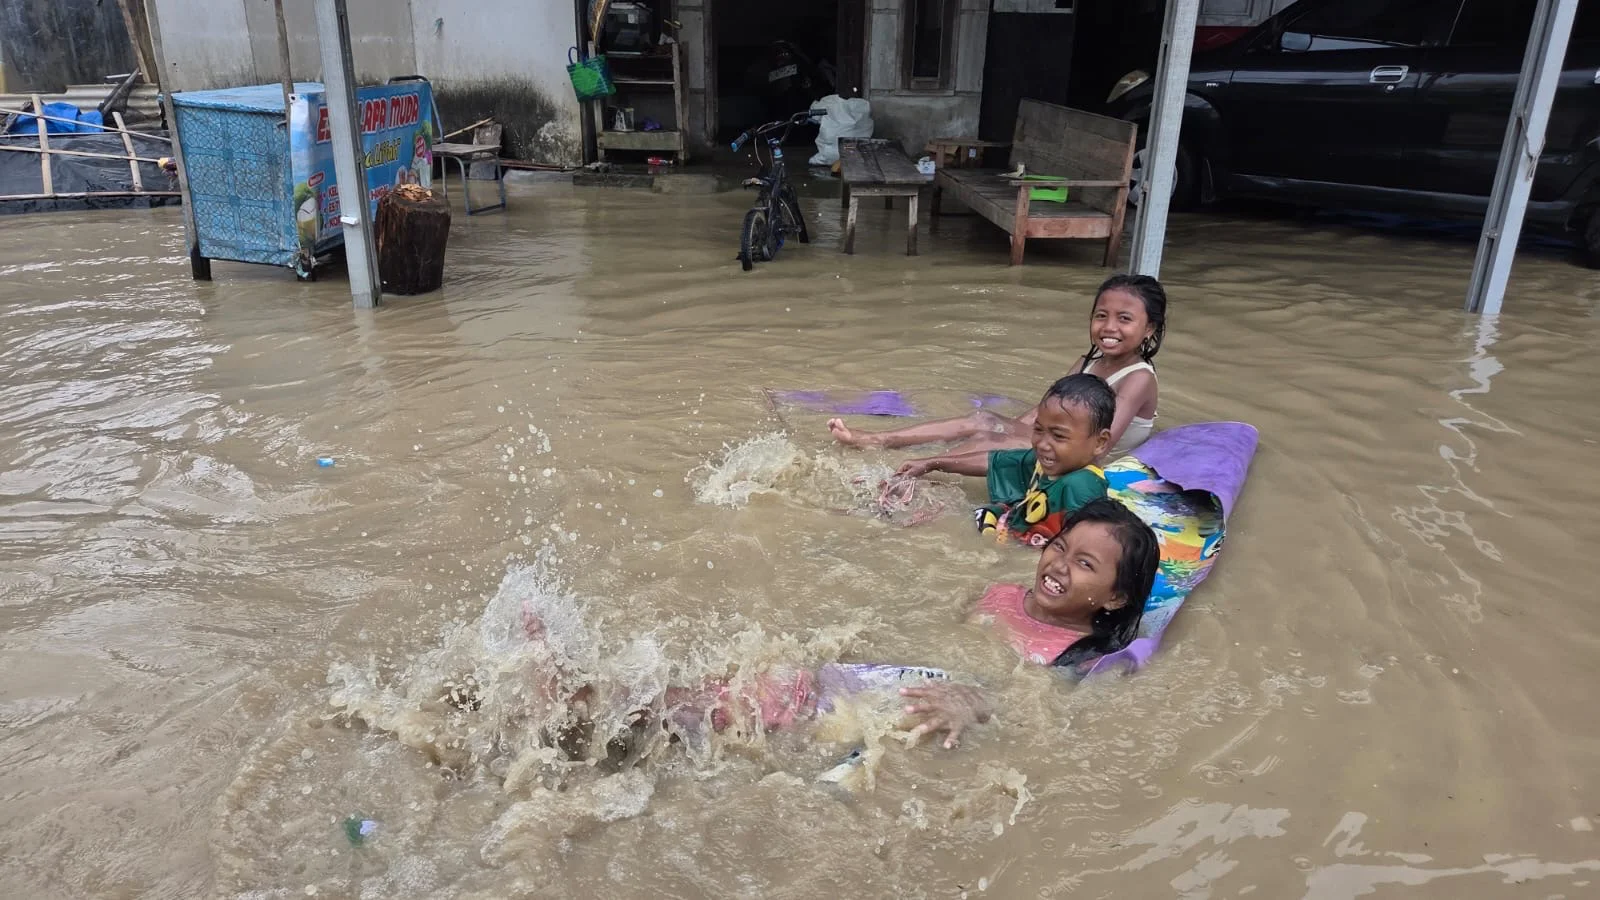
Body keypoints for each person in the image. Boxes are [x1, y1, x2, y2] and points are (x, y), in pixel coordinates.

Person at [513, 498, 1159, 754]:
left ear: (1115, 597)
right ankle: (596, 707)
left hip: (913, 697)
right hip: (873, 672)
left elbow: (1024, 698)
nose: (1058, 565)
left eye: (1084, 565)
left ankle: (587, 709)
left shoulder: (1073, 652)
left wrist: (971, 701)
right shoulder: (998, 591)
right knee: (750, 685)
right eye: (1060, 547)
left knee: (758, 703)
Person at [826, 273, 1167, 459]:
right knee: (984, 420)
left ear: (1149, 328)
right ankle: (880, 440)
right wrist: (1007, 427)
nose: (1109, 328)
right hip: (1063, 439)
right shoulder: (1088, 361)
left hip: (1085, 455)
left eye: (1125, 319)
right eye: (1101, 316)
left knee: (990, 428)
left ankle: (925, 470)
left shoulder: (1137, 378)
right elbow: (1044, 410)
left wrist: (1004, 435)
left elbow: (1101, 445)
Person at [894, 373, 1115, 546]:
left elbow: (1082, 550)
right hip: (1010, 526)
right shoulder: (1052, 462)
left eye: (1058, 436)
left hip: (1026, 545)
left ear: (1100, 443)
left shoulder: (1083, 487)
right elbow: (995, 461)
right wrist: (933, 463)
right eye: (1038, 430)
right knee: (921, 498)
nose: (1042, 443)